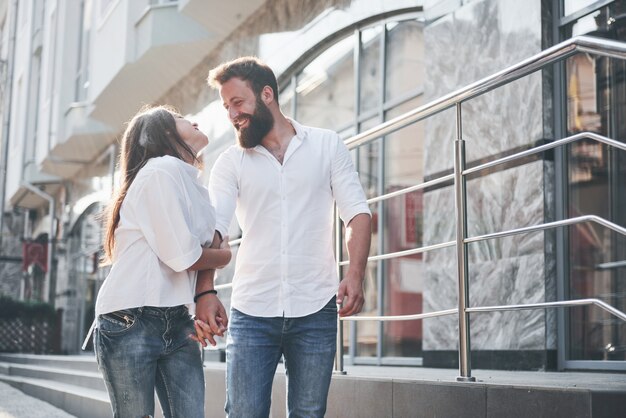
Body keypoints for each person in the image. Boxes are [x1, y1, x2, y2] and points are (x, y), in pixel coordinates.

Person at [204, 56, 372, 418]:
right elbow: (216, 232)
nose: (232, 115)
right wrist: (206, 291)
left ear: (267, 95)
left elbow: (356, 212)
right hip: (252, 310)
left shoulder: (327, 145)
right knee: (244, 413)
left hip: (316, 307)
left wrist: (355, 273)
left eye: (238, 103)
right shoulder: (230, 162)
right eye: (226, 107)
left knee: (309, 414)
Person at [94, 105, 231, 418]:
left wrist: (204, 296)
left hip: (178, 318)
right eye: (182, 119)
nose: (193, 120)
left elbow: (207, 245)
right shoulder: (160, 171)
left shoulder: (193, 183)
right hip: (130, 318)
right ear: (165, 134)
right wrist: (226, 255)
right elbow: (186, 256)